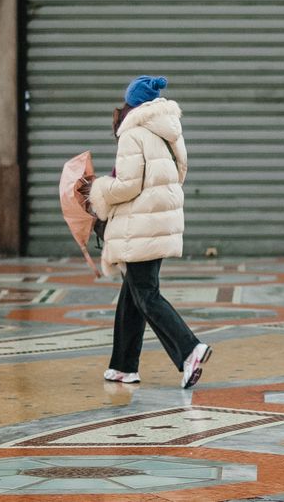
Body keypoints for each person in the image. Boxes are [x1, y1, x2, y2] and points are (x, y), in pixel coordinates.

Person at [85, 75, 211, 389]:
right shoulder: (169, 133)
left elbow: (128, 184)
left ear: (132, 105)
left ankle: (189, 349)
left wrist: (96, 191)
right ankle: (123, 365)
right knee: (134, 293)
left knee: (146, 294)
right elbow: (178, 174)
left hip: (139, 225)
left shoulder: (133, 134)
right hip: (158, 222)